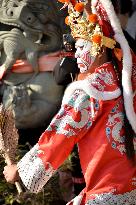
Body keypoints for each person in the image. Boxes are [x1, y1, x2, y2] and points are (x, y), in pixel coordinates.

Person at [3, 0, 136, 204]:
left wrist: (19, 171)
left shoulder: (88, 91)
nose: (77, 54)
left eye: (82, 46)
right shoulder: (127, 82)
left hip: (106, 194)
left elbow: (58, 138)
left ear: (99, 49)